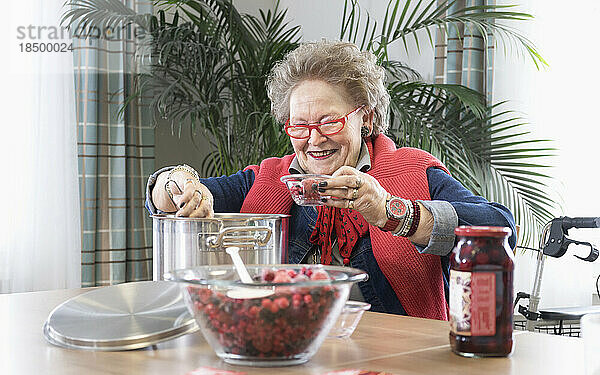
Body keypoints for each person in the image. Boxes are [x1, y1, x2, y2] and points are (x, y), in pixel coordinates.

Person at [146, 41, 516, 321]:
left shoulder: (413, 172)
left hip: (399, 365)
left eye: (329, 122)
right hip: (288, 357)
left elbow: (500, 227)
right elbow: (180, 195)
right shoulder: (270, 178)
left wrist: (392, 212)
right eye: (299, 126)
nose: (314, 138)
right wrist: (175, 184)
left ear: (365, 118)